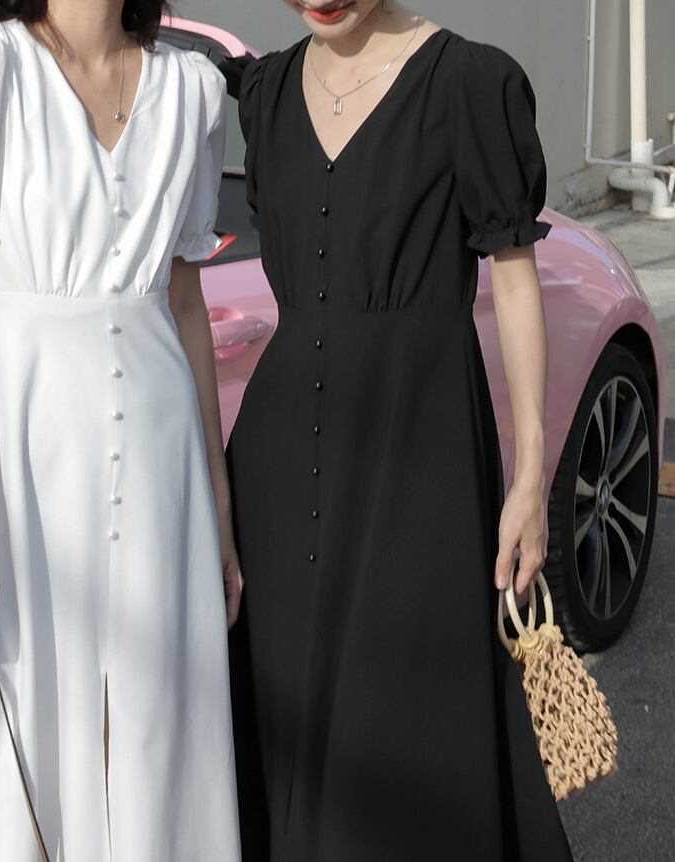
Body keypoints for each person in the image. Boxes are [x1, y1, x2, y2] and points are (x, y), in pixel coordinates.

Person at [0, 0, 243, 858]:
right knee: (2, 733)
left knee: (151, 730)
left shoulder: (192, 90)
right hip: (19, 462)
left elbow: (185, 304)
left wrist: (218, 512)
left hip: (161, 468)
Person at [225, 1, 574, 859]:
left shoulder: (469, 83)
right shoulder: (265, 94)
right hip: (277, 471)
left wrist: (531, 476)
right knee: (283, 728)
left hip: (423, 455)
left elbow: (515, 281)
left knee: (408, 732)